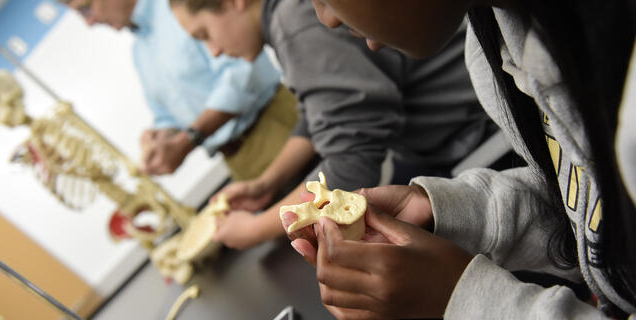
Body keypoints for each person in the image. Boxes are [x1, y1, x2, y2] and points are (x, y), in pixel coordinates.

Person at [282, 0, 636, 319]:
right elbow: (588, 201)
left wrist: (462, 300)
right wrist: (451, 213)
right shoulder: (494, 47)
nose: (325, 18)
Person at [170, 0, 496, 250]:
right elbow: (321, 117)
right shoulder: (289, 18)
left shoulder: (295, 24)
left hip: (479, 133)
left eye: (204, 34)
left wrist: (256, 229)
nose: (213, 51)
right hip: (449, 139)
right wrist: (268, 184)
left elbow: (351, 164)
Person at [62, 0, 297, 180]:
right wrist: (159, 139)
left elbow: (243, 73)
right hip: (238, 162)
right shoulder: (140, 52)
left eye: (85, 9)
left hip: (279, 129)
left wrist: (189, 139)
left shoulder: (181, 7)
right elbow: (167, 115)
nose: (89, 22)